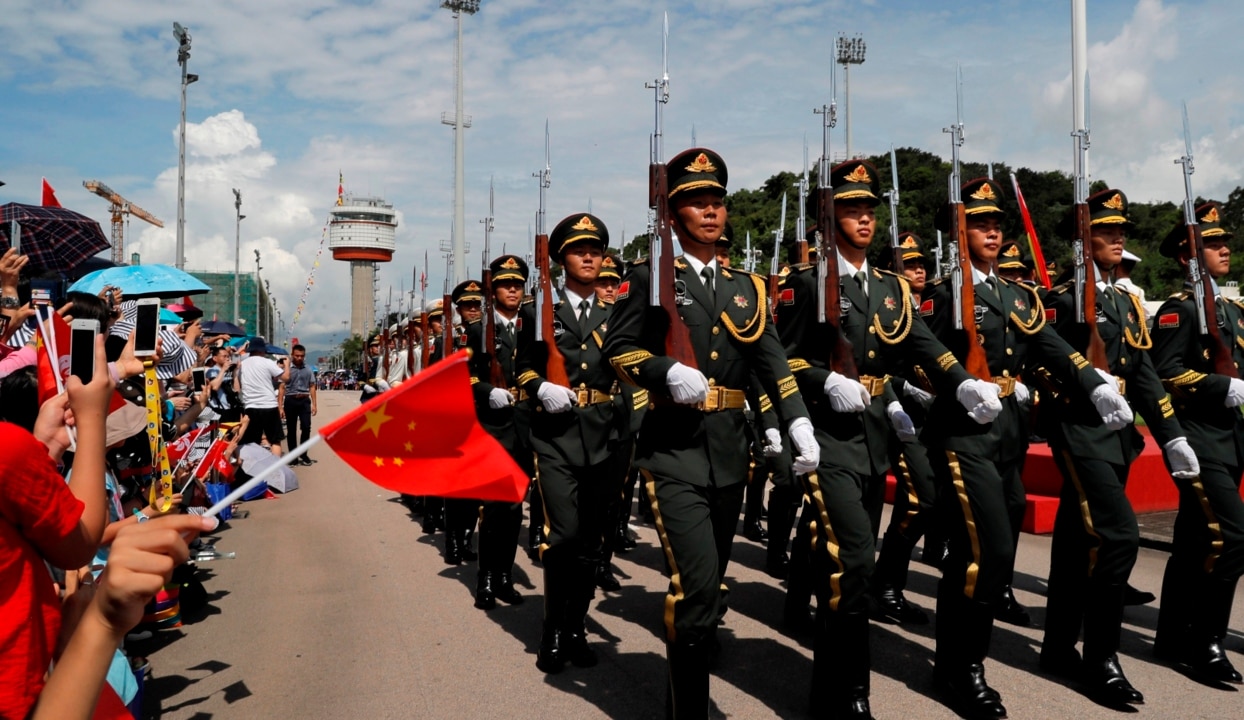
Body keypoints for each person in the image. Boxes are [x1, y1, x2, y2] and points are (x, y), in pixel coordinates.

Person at [778, 161, 1007, 718]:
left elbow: (925, 344)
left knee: (851, 565)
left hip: (874, 435)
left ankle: (834, 690)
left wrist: (963, 382)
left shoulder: (890, 288)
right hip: (827, 440)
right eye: (850, 208)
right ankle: (847, 695)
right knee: (853, 563)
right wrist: (824, 379)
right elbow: (779, 361)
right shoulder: (807, 285)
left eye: (868, 209)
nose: (863, 218)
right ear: (827, 218)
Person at [603, 148, 820, 718]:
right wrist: (665, 370)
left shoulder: (746, 285)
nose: (710, 211)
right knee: (695, 590)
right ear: (672, 213)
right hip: (673, 453)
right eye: (696, 201)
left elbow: (771, 359)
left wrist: (797, 420)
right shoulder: (648, 279)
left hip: (728, 454)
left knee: (712, 588)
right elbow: (618, 349)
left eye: (717, 201)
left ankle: (694, 649)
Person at [921, 177, 1131, 719]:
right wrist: (959, 384)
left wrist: (1093, 381)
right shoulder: (943, 294)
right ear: (958, 229)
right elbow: (916, 356)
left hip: (1009, 433)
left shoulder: (1017, 295)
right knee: (987, 550)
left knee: (986, 555)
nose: (992, 232)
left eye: (997, 225)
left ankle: (952, 659)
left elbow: (1051, 344)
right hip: (963, 435)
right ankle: (965, 669)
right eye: (980, 224)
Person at [1035, 187, 1197, 706]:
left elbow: (1146, 372)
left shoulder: (1124, 300)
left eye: (1120, 229)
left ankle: (1058, 644)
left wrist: (1170, 434)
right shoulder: (1061, 300)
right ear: (1083, 240)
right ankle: (1100, 657)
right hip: (1080, 432)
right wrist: (1090, 384)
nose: (1118, 236)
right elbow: (1044, 362)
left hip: (1120, 436)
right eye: (1105, 230)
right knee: (1120, 535)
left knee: (1077, 541)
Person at [516, 211, 622, 674]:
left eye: (595, 251)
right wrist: (539, 387)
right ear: (561, 260)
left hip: (604, 436)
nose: (588, 257)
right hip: (556, 438)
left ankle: (577, 625)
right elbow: (521, 366)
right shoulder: (541, 314)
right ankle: (553, 630)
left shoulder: (616, 314)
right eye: (580, 251)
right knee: (563, 536)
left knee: (592, 542)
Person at [1149, 201, 1244, 685]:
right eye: (1211, 243)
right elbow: (1164, 373)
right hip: (1201, 440)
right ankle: (1206, 641)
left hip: (1233, 442)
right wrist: (1219, 385)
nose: (1224, 247)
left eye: (1224, 240)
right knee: (1232, 540)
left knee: (1192, 541)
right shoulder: (1179, 310)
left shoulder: (1231, 308)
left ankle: (1170, 635)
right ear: (1189, 255)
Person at [870, 232, 946, 622]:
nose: (919, 270)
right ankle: (883, 584)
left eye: (922, 265)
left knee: (923, 500)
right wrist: (903, 392)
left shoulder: (932, 304)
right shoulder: (883, 304)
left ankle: (886, 584)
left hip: (932, 418)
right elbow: (877, 364)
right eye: (910, 265)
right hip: (892, 413)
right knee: (921, 498)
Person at [466, 255, 534, 608]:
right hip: (493, 428)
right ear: (493, 291)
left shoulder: (533, 324)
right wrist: (486, 392)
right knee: (494, 508)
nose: (513, 289)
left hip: (525, 427)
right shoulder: (479, 330)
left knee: (514, 509)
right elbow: (467, 377)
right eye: (506, 284)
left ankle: (505, 575)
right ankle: (487, 579)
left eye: (518, 284)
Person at [441, 280, 485, 565]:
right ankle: (454, 542)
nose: (473, 309)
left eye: (477, 304)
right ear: (458, 309)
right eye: (467, 305)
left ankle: (467, 538)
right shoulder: (451, 339)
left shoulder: (488, 334)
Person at [234, 336, 290, 456]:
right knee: (275, 440)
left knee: (251, 442)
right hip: (269, 405)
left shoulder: (242, 364)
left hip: (250, 406)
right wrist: (287, 365)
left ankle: (253, 471)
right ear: (262, 350)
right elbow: (286, 378)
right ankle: (275, 470)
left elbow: (238, 387)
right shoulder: (267, 362)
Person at [283, 344, 317, 465]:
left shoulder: (308, 369)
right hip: (290, 400)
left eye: (302, 356)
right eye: (297, 355)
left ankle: (304, 454)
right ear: (292, 355)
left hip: (304, 401)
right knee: (291, 430)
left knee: (306, 427)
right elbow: (282, 387)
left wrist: (314, 404)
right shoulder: (287, 369)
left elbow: (312, 386)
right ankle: (293, 457)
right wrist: (280, 406)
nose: (299, 358)